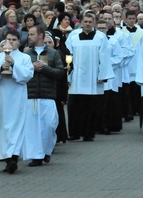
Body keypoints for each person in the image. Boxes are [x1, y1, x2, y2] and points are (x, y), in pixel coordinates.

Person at [0, 30, 34, 174]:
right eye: (8, 39)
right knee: (2, 128)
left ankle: (13, 157)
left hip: (17, 98)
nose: (10, 42)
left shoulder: (24, 58)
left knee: (15, 127)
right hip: (1, 98)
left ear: (19, 42)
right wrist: (0, 69)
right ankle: (7, 158)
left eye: (13, 39)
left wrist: (13, 65)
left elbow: (27, 75)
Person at [65, 12, 114, 142]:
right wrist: (67, 76)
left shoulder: (101, 37)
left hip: (93, 77)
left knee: (91, 108)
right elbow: (68, 56)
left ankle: (88, 133)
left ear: (94, 23)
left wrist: (103, 75)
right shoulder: (73, 36)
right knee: (75, 107)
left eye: (90, 22)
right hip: (77, 77)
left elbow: (104, 57)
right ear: (81, 22)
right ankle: (74, 133)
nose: (87, 24)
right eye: (85, 21)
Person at [23, 26, 64, 166]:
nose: (29, 37)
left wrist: (45, 68)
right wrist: (31, 68)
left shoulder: (53, 54)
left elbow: (60, 72)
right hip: (32, 95)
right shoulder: (27, 54)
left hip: (48, 95)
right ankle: (36, 156)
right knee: (33, 128)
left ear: (40, 35)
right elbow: (21, 73)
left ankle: (46, 150)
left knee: (49, 125)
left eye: (32, 34)